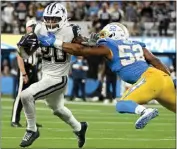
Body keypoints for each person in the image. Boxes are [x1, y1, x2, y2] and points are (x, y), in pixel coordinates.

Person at [37, 22, 175, 130]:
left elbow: (82, 51)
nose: (102, 37)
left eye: (105, 35)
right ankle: (147, 109)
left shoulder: (109, 45)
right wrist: (170, 78)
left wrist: (55, 42)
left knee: (122, 104)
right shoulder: (137, 45)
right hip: (163, 77)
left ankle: (145, 111)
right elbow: (155, 60)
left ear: (113, 35)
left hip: (149, 79)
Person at [17, 2, 87, 148]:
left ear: (62, 18)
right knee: (58, 109)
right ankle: (79, 128)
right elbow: (25, 54)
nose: (50, 22)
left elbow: (80, 49)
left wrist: (55, 42)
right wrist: (22, 49)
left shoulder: (71, 30)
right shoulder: (39, 28)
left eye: (54, 19)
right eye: (47, 18)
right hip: (46, 75)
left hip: (59, 77)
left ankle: (32, 129)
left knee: (25, 95)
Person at [11, 19, 42, 128]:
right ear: (27, 27)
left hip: (33, 69)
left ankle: (31, 121)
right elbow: (19, 57)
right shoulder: (26, 39)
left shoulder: (37, 39)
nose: (34, 28)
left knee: (31, 97)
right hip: (26, 68)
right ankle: (14, 119)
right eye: (32, 26)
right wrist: (24, 73)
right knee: (20, 95)